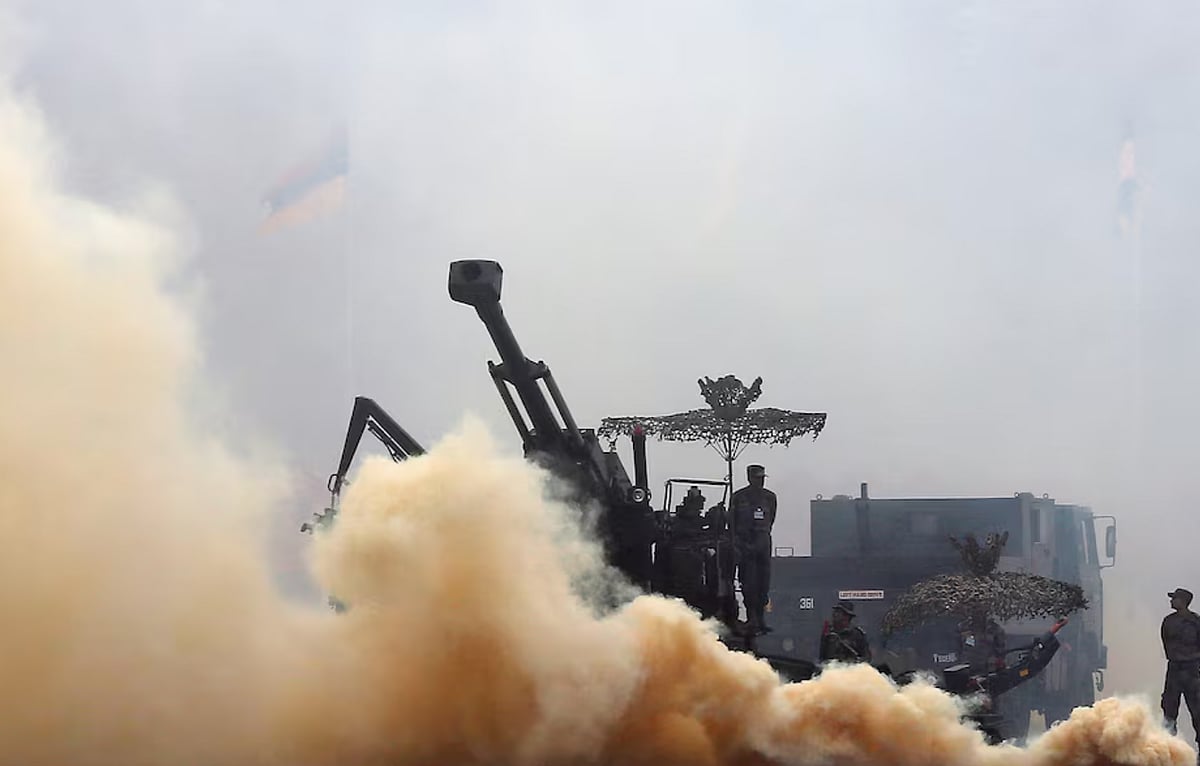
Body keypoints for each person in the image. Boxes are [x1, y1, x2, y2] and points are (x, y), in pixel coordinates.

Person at [730, 464, 777, 633]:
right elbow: (732, 522)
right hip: (745, 543)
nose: (761, 481)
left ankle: (761, 618)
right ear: (750, 478)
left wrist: (762, 537)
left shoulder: (769, 497)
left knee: (763, 583)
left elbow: (771, 519)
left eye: (762, 478)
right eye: (757, 478)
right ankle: (752, 618)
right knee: (748, 583)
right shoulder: (739, 497)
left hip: (763, 542)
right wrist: (739, 543)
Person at [1161, 587, 1200, 751]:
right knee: (1169, 710)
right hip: (1175, 670)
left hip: (1192, 671)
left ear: (1183, 601)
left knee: (1197, 711)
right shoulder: (1168, 621)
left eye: (1174, 598)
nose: (1171, 601)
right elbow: (1166, 644)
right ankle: (1168, 748)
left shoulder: (1196, 622)